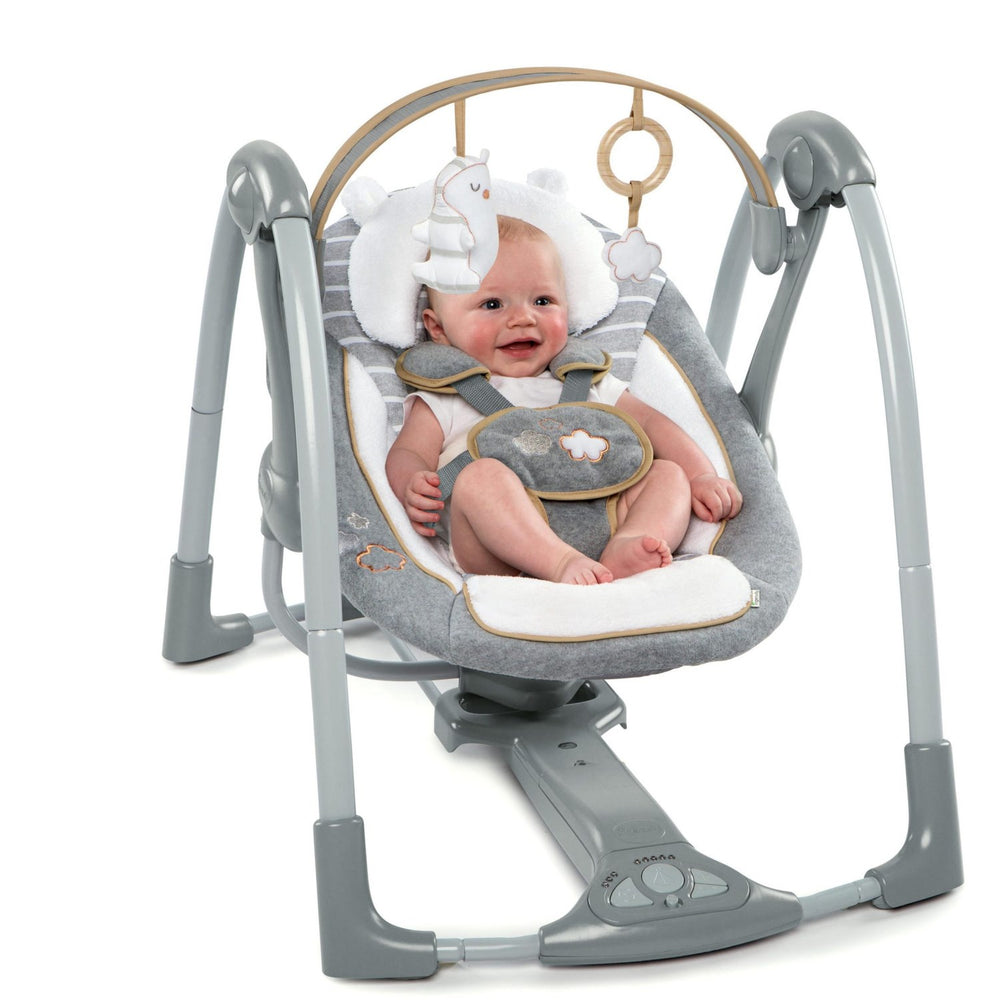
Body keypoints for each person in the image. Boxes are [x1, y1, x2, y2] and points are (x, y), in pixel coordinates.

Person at [386, 216, 742, 585]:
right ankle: (558, 562)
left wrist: (700, 475)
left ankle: (628, 543)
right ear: (438, 328)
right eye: (492, 304)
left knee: (666, 474)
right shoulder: (446, 395)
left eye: (543, 301)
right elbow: (408, 451)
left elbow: (654, 424)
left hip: (604, 511)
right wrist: (413, 481)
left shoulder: (585, 382)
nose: (523, 318)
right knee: (479, 479)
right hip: (498, 548)